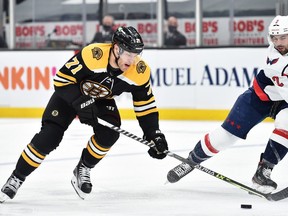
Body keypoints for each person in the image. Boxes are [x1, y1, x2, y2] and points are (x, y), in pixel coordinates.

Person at [0, 26, 168, 202]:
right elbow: (61, 80)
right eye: (129, 54)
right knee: (49, 137)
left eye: (136, 55)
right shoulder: (92, 54)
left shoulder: (140, 72)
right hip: (70, 93)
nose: (132, 61)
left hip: (101, 99)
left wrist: (153, 133)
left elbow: (145, 105)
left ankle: (84, 167)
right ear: (117, 48)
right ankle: (17, 177)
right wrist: (82, 104)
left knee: (110, 133)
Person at [167, 15, 288, 194]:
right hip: (259, 99)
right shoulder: (277, 62)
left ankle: (263, 172)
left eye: (282, 38)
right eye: (275, 38)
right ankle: (190, 161)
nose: (278, 42)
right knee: (225, 138)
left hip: (282, 101)